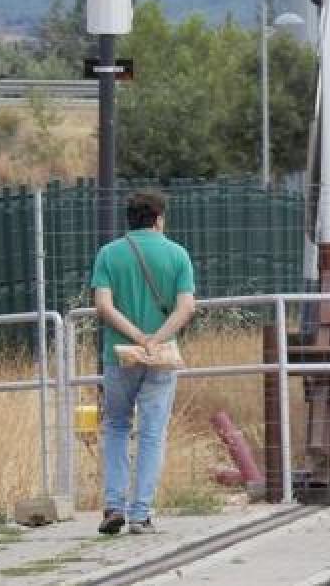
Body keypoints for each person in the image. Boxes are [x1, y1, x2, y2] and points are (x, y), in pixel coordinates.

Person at [91, 190, 196, 535]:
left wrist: (135, 337)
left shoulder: (109, 254)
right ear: (159, 218)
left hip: (118, 356)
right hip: (161, 357)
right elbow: (186, 308)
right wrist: (156, 338)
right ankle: (140, 513)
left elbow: (103, 306)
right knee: (152, 432)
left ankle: (113, 505)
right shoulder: (177, 255)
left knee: (117, 427)